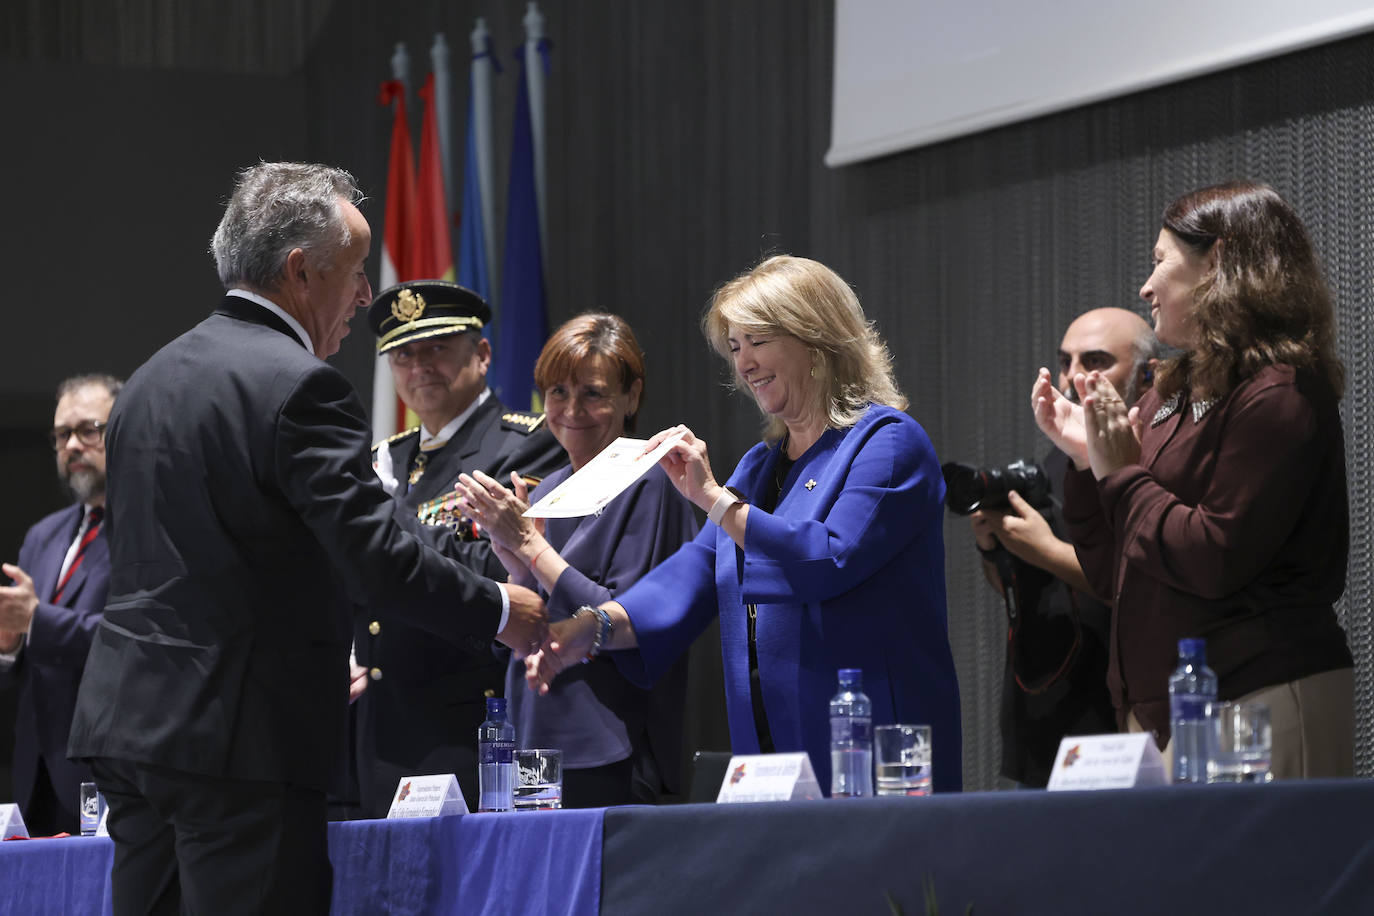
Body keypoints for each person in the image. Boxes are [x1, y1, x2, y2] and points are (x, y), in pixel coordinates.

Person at [67, 162, 547, 914]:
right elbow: (377, 560)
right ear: (299, 270)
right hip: (239, 740)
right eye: (355, 272)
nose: (364, 296)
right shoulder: (300, 386)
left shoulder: (150, 381)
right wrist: (499, 607)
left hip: (130, 729)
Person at [527, 255, 963, 794]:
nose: (744, 363)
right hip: (770, 760)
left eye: (758, 341)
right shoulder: (761, 466)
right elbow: (690, 576)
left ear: (817, 337)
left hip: (873, 756)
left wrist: (712, 497)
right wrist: (589, 629)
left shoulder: (889, 442)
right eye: (735, 348)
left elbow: (828, 558)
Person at [1032, 181, 1354, 779]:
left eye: (1160, 262)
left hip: (1255, 696)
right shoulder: (1168, 395)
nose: (1145, 286)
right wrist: (1086, 464)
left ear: (1219, 264)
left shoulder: (1278, 394)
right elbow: (1115, 575)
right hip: (1164, 711)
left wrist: (1121, 474)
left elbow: (1213, 556)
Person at [454, 313, 699, 807]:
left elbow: (623, 621)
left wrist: (529, 545)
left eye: (593, 393)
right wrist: (516, 566)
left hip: (611, 742)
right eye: (558, 392)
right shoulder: (549, 488)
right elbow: (534, 624)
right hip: (534, 736)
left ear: (631, 397)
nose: (571, 409)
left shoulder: (651, 478)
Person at [354, 279, 565, 817]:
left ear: (483, 354)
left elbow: (499, 566)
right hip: (379, 725)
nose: (419, 366)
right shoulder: (387, 458)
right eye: (403, 354)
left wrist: (382, 509)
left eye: (436, 349)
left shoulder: (529, 442)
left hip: (472, 726)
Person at [968, 309, 1159, 787]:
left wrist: (1044, 549)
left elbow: (1136, 579)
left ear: (1146, 373)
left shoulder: (1148, 456)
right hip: (1039, 699)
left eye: (1096, 361)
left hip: (1108, 701)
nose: (1075, 377)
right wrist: (995, 549)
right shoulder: (1060, 457)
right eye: (1066, 361)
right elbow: (1017, 582)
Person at [0, 374, 120, 835]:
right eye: (61, 435)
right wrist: (9, 642)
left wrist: (36, 620)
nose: (73, 445)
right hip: (36, 775)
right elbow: (22, 654)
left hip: (108, 776)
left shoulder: (147, 526)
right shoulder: (42, 535)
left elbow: (130, 637)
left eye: (89, 430)